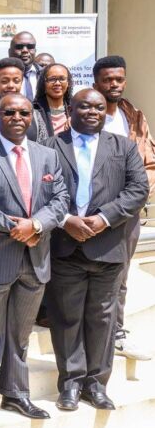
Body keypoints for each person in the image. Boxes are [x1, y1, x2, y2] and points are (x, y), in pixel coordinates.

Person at [0, 93, 69, 426]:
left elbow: (61, 199)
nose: (17, 117)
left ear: (32, 117)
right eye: (9, 112)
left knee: (20, 335)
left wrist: (36, 224)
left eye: (24, 112)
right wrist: (17, 227)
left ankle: (16, 394)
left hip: (35, 259)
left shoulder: (47, 157)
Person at [45, 89, 148, 411]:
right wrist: (65, 220)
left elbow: (138, 189)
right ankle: (71, 385)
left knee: (103, 320)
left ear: (106, 112)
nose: (92, 111)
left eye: (99, 107)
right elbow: (41, 190)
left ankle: (97, 385)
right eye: (85, 106)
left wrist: (104, 219)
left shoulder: (124, 146)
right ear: (70, 109)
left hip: (108, 248)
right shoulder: (50, 147)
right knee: (67, 319)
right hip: (66, 247)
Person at [93, 55, 155, 361]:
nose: (113, 85)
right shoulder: (86, 114)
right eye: (107, 80)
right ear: (96, 82)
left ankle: (116, 332)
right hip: (91, 213)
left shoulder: (134, 116)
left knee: (120, 275)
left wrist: (136, 195)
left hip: (128, 212)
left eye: (118, 79)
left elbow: (150, 164)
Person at [0, 58, 49, 145]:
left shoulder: (35, 116)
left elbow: (42, 150)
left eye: (16, 81)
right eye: (4, 81)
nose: (11, 85)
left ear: (21, 84)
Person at [33, 63, 72, 136]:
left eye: (62, 79)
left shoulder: (75, 110)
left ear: (68, 83)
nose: (57, 83)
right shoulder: (34, 110)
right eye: (52, 79)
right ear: (44, 83)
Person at [8, 32, 41, 101]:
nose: (25, 50)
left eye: (30, 47)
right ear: (9, 52)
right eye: (19, 47)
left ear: (35, 51)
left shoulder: (45, 75)